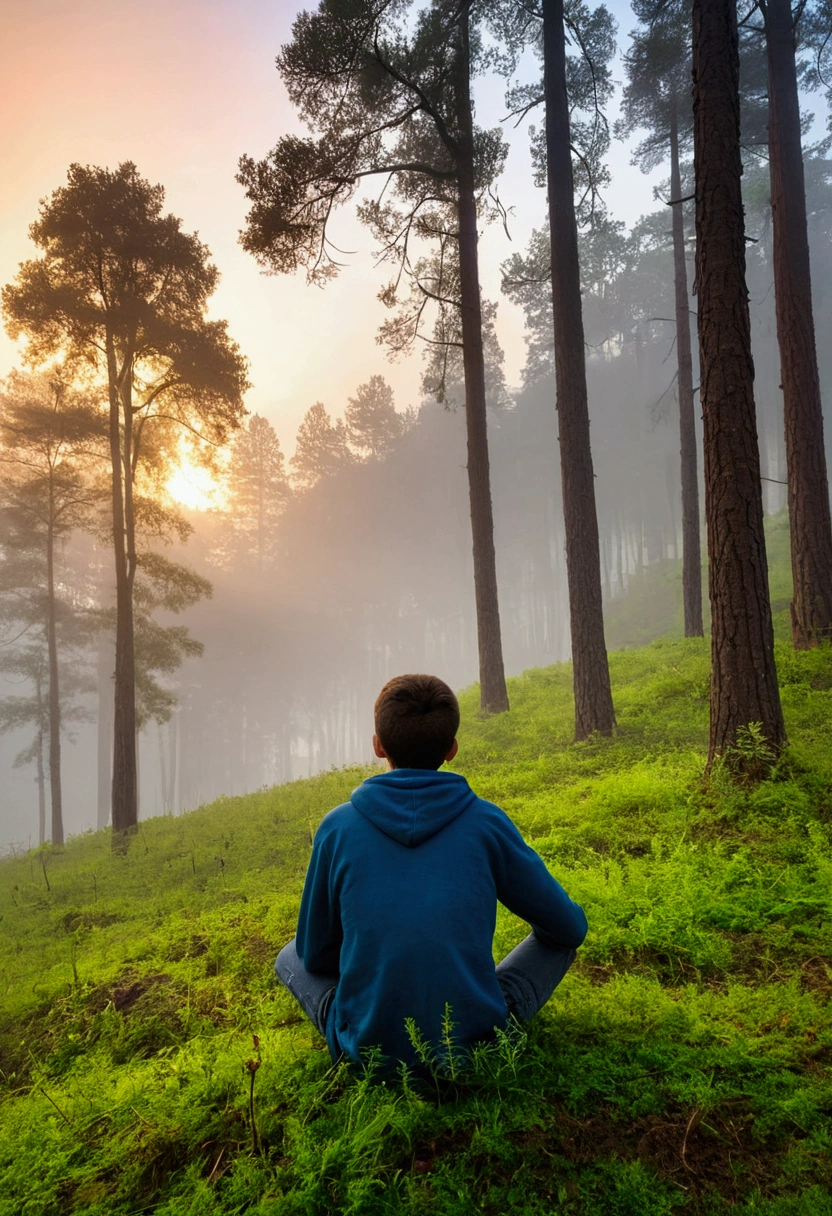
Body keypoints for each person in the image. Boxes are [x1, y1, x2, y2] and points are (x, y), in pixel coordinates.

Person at [275, 673, 587, 1072]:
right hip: (477, 1047)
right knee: (557, 941)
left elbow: (315, 955)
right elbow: (569, 930)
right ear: (452, 749)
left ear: (377, 746)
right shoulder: (487, 823)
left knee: (291, 954)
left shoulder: (336, 829)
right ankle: (479, 1019)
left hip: (368, 1054)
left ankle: (369, 1028)